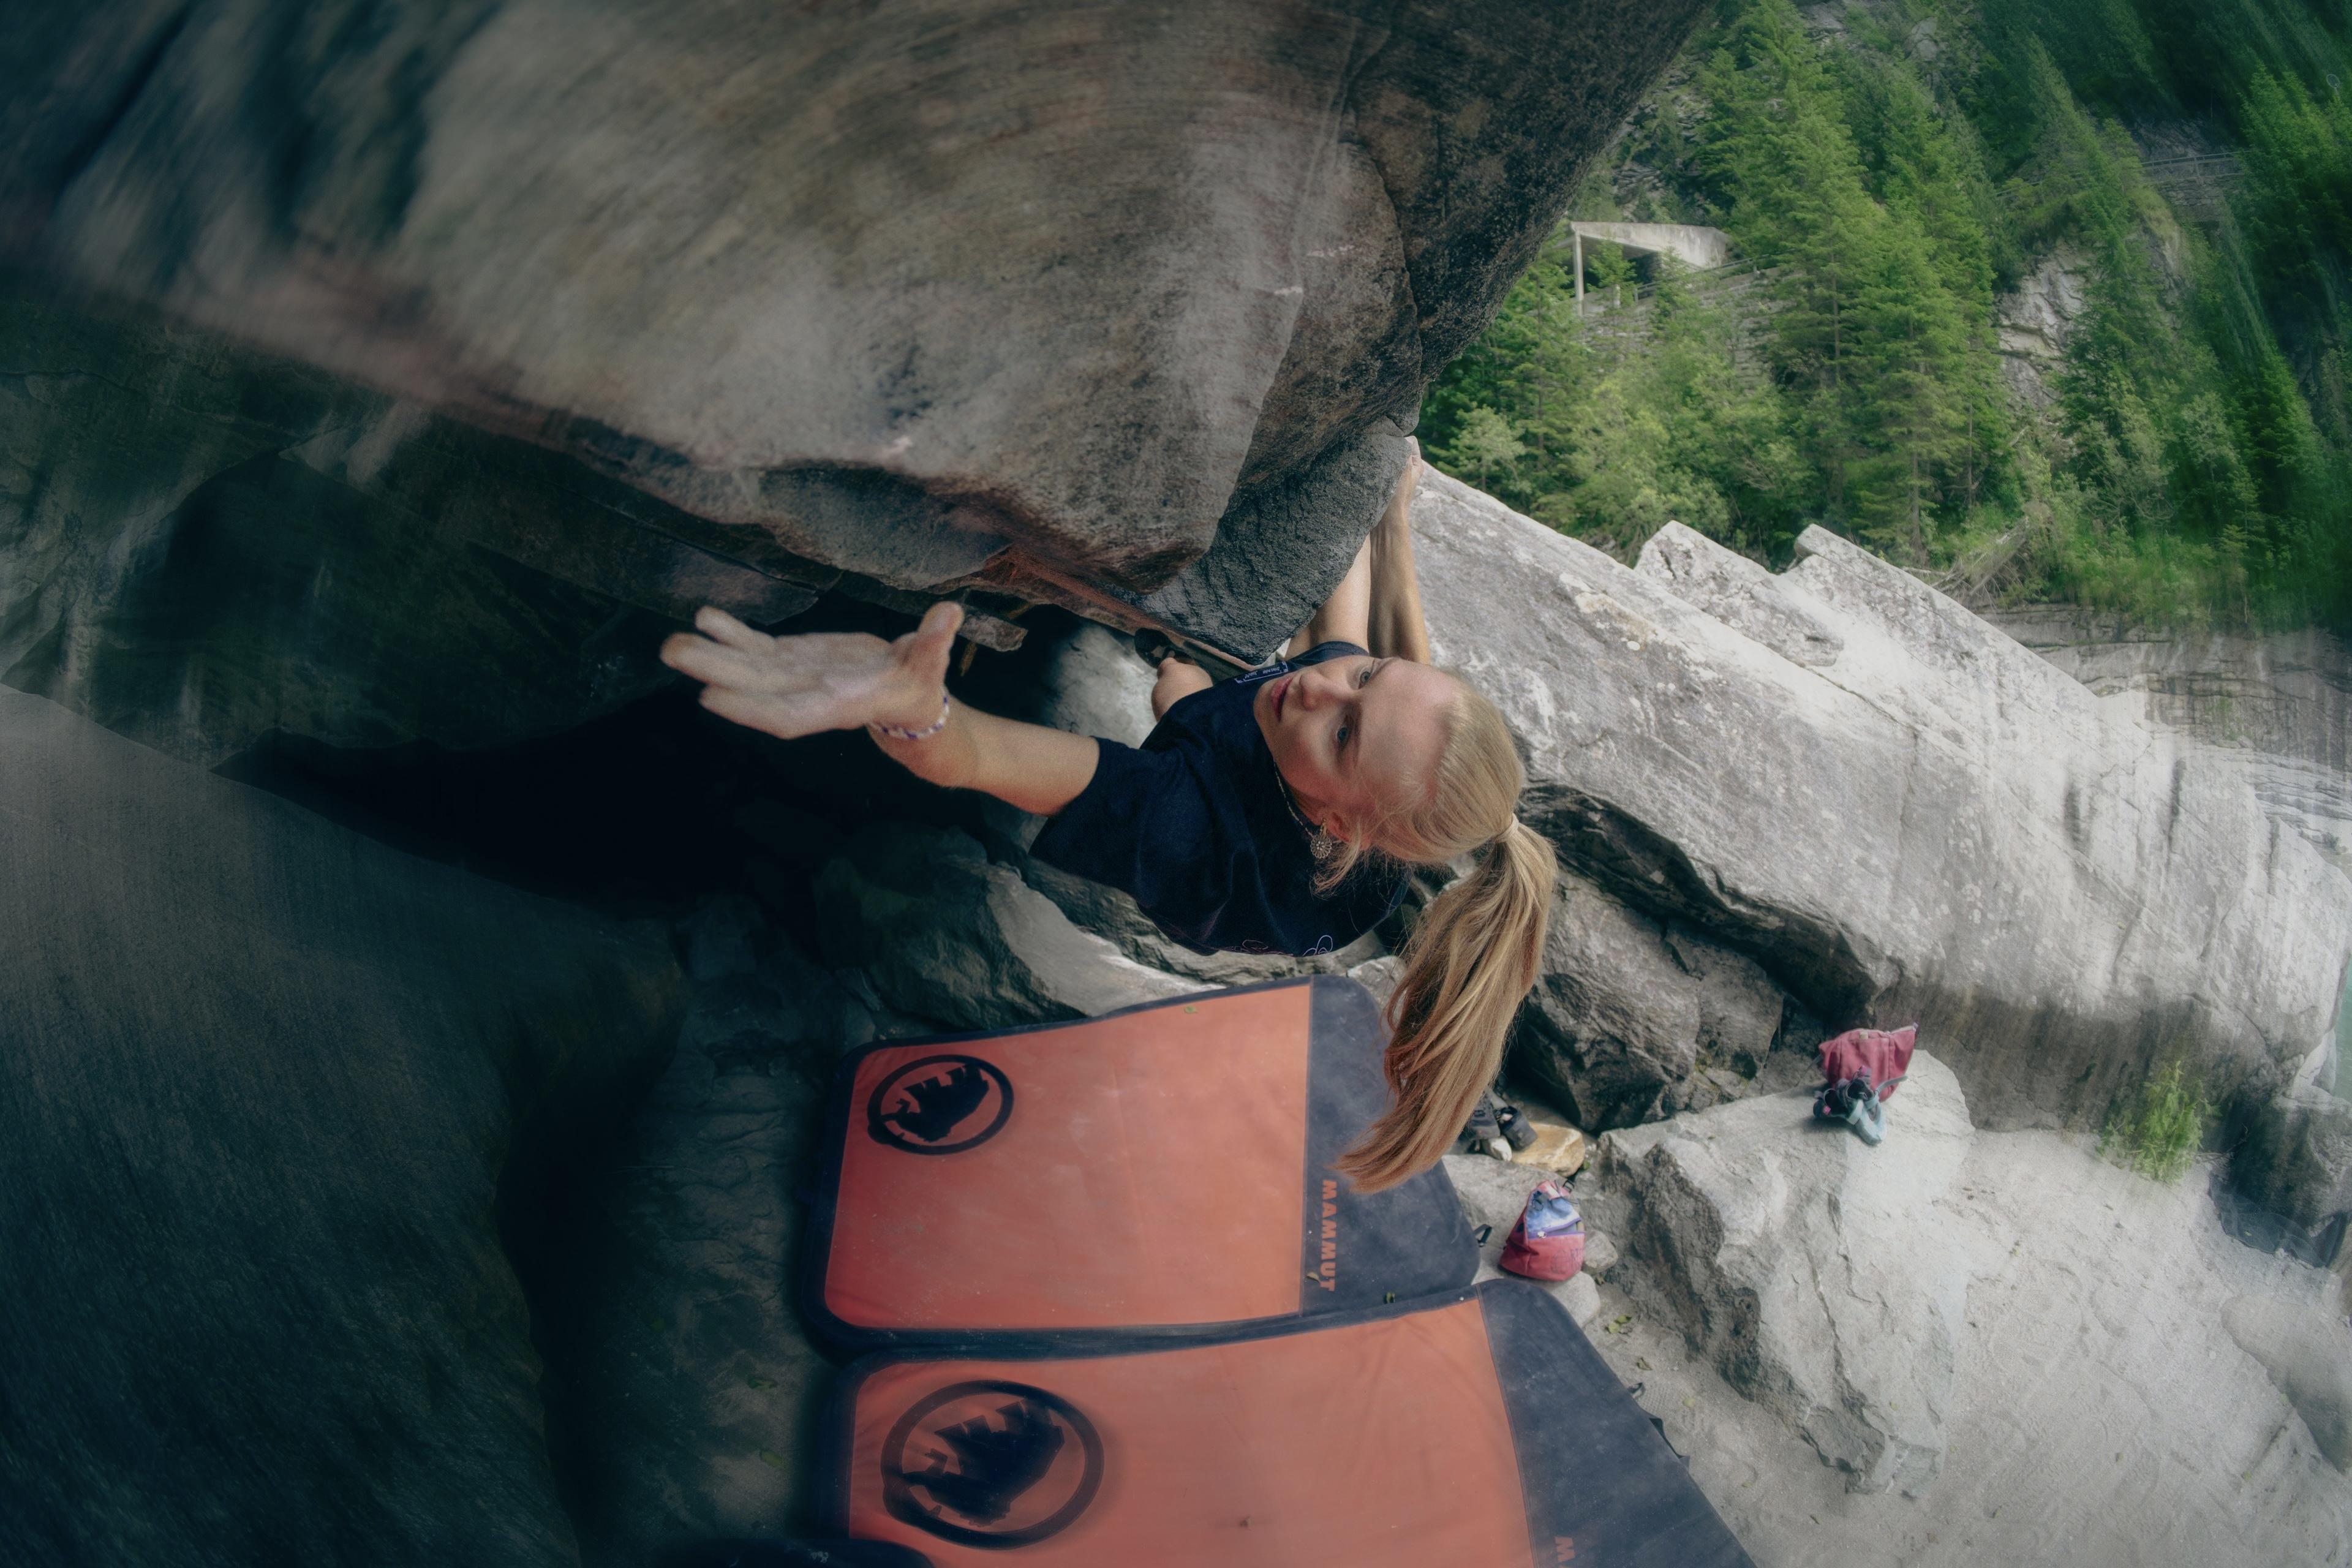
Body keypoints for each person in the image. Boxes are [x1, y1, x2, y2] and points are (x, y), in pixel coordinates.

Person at [660, 448, 1556, 1191]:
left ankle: (1197, 695)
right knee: (1294, 684)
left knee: (1183, 696)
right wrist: (1376, 501)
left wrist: (906, 705)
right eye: (1364, 686)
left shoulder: (1186, 834)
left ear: (1342, 822)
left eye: (1345, 730)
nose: (1317, 689)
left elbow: (982, 755)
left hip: (1223, 868)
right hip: (1297, 810)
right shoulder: (1338, 742)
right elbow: (1347, 643)